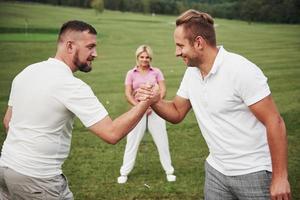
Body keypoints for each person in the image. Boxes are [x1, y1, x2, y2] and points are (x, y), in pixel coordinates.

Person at [137, 9, 291, 199]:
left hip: (254, 173)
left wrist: (280, 177)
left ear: (199, 42)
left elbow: (274, 122)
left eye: (179, 45)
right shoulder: (192, 73)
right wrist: (155, 101)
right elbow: (177, 112)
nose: (176, 52)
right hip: (216, 172)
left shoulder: (240, 70)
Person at [0, 20, 153, 200]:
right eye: (90, 47)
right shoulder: (71, 85)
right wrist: (146, 102)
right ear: (70, 46)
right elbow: (111, 133)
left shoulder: (27, 72)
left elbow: (8, 122)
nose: (95, 54)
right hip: (38, 180)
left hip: (6, 169)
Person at [117, 45, 176, 184]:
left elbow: (163, 90)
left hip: (155, 111)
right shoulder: (131, 73)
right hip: (137, 111)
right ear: (137, 58)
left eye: (147, 57)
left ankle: (169, 171)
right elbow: (127, 93)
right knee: (132, 142)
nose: (145, 59)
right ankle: (124, 173)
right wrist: (140, 106)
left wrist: (153, 104)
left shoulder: (156, 72)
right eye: (142, 57)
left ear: (151, 58)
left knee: (162, 141)